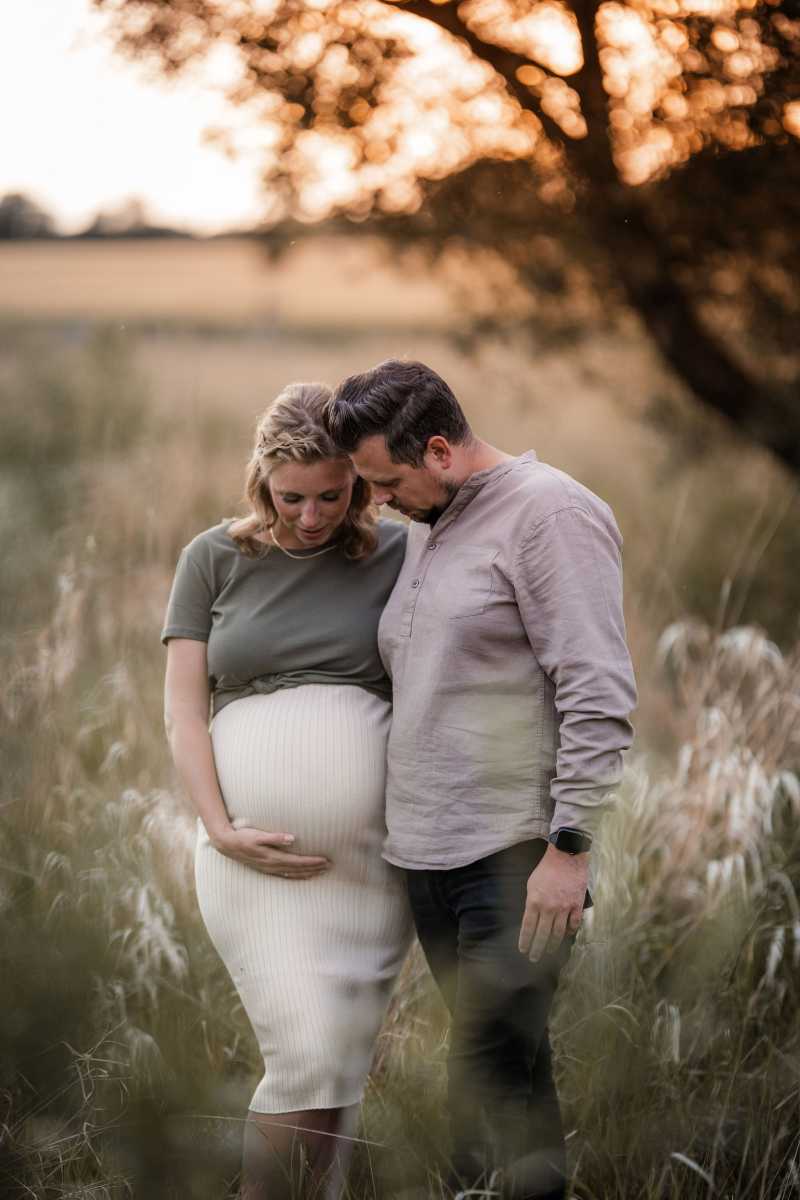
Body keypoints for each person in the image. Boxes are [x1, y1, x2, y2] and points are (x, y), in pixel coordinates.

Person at [326, 359, 637, 1200]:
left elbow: (597, 689)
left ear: (438, 450)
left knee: (474, 1101)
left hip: (515, 860)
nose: (380, 502)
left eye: (386, 482)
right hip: (429, 858)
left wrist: (569, 848)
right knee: (517, 1093)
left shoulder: (551, 513)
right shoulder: (435, 519)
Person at [160, 382, 412, 1200]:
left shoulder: (400, 554)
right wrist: (220, 826)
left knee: (338, 1065)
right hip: (250, 860)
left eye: (332, 496)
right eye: (290, 496)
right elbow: (183, 715)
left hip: (372, 867)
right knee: (303, 1055)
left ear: (361, 481)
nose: (311, 516)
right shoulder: (212, 558)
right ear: (261, 478)